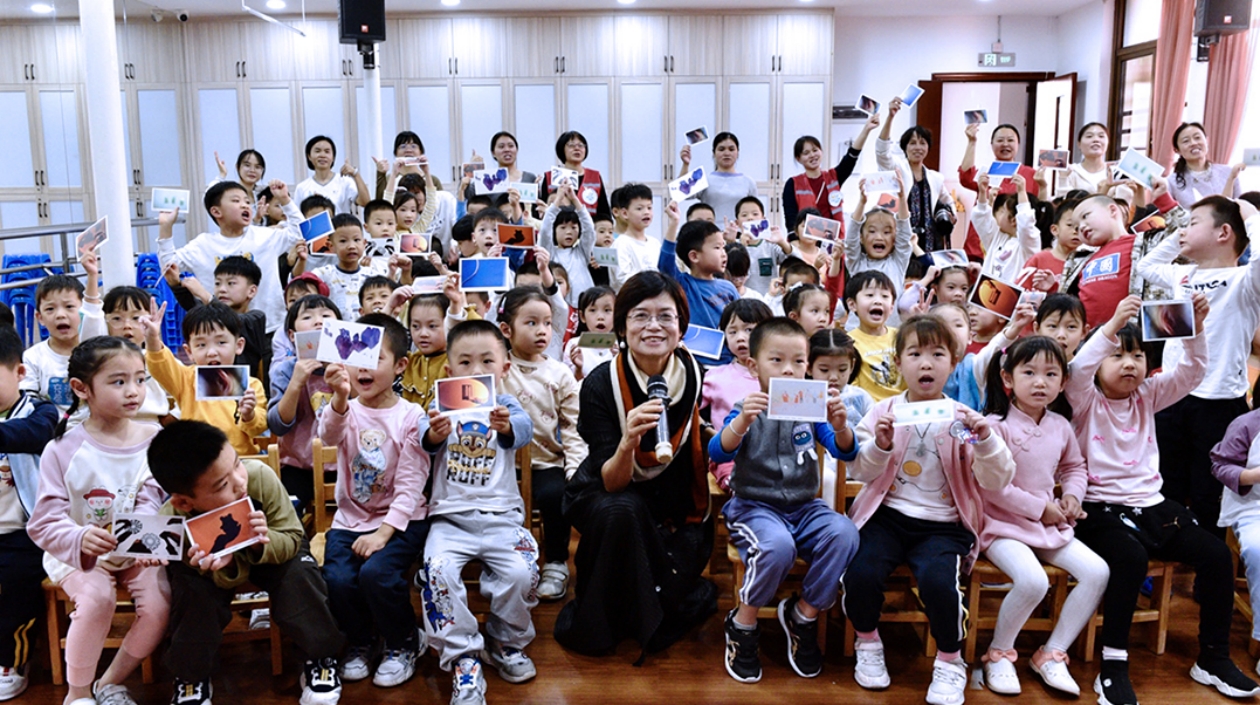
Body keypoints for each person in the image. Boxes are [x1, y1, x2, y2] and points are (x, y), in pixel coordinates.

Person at [1067, 294, 1260, 703]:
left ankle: (1212, 657)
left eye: (1137, 356)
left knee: (1214, 553)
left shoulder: (1148, 396)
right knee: (1131, 559)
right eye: (1118, 356)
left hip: (1151, 504)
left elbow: (1193, 371)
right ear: (1100, 360)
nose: (1129, 364)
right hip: (1097, 506)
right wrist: (1109, 327)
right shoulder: (1083, 400)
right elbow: (1077, 371)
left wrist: (1196, 329)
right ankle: (1113, 665)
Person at [843, 314, 1015, 705]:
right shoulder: (882, 411)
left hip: (943, 525)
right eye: (915, 353)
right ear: (899, 361)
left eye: (937, 354)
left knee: (940, 584)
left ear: (953, 363)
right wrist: (880, 445)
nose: (926, 363)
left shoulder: (963, 418)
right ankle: (868, 642)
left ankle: (950, 660)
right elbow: (860, 471)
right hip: (885, 517)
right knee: (861, 572)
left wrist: (986, 441)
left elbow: (997, 479)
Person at [555, 272, 717, 661]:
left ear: (681, 325)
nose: (654, 327)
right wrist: (628, 440)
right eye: (641, 316)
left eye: (666, 316)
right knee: (622, 509)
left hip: (669, 488)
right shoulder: (598, 385)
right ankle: (601, 625)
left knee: (693, 537)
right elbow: (611, 481)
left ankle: (644, 612)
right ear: (622, 326)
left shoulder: (692, 372)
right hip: (606, 487)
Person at [149, 420, 344, 705]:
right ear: (184, 503)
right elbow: (210, 572)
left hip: (273, 544)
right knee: (191, 592)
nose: (240, 482)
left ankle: (320, 655)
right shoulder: (173, 519)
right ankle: (191, 675)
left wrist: (256, 541)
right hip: (212, 567)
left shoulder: (259, 478)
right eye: (223, 484)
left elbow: (290, 536)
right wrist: (223, 564)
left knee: (299, 574)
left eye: (238, 464)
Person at [710, 317, 860, 683]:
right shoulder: (747, 404)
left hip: (804, 507)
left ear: (808, 364)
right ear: (753, 365)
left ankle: (803, 614)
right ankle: (743, 624)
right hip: (754, 506)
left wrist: (840, 425)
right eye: (776, 360)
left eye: (797, 361)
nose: (789, 369)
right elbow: (718, 450)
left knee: (845, 533)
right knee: (777, 547)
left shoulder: (811, 403)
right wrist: (742, 421)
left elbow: (845, 450)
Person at [27, 337, 170, 705]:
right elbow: (43, 522)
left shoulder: (156, 438)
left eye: (140, 379)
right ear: (81, 388)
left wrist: (147, 538)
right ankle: (77, 695)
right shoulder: (62, 449)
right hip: (77, 556)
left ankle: (109, 683)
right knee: (96, 599)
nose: (133, 391)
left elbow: (156, 497)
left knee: (160, 604)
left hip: (136, 553)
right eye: (119, 381)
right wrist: (79, 538)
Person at [977, 336, 1108, 696]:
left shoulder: (1060, 425)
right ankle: (999, 653)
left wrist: (1070, 496)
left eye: (1051, 374)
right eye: (1030, 372)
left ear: (1063, 382)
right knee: (1033, 581)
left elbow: (1075, 467)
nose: (1040, 382)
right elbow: (992, 488)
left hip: (1047, 523)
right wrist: (1042, 508)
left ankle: (1052, 653)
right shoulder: (994, 425)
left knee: (1098, 572)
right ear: (1007, 379)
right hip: (1001, 526)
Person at [418, 320, 537, 705]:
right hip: (449, 520)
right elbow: (422, 437)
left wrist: (506, 425)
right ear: (449, 371)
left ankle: (505, 641)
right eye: (465, 362)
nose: (475, 370)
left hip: (502, 517)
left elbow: (523, 429)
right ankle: (463, 656)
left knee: (523, 570)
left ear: (504, 367)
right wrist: (434, 434)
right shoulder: (438, 405)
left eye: (486, 360)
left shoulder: (508, 404)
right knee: (437, 573)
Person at [1137, 196, 1260, 535]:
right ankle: (1163, 565)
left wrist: (1251, 218)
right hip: (1174, 394)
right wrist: (1177, 235)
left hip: (1219, 401)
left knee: (1208, 493)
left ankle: (1205, 572)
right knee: (1165, 485)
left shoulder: (1245, 280)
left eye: (1193, 223)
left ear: (1223, 232)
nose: (1184, 230)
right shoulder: (1182, 273)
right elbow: (1146, 267)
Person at [318, 314, 428, 688]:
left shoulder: (411, 415)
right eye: (356, 358)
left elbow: (413, 482)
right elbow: (329, 437)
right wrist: (339, 398)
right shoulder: (344, 406)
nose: (363, 368)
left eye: (376, 359)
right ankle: (362, 642)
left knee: (377, 575)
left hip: (402, 520)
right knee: (337, 578)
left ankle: (402, 643)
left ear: (400, 365)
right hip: (350, 521)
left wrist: (383, 533)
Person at [498, 288, 586, 602]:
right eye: (531, 322)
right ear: (507, 330)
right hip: (502, 463)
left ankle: (557, 561)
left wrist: (574, 469)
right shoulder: (497, 367)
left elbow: (574, 428)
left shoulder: (560, 373)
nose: (542, 331)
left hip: (547, 462)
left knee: (555, 496)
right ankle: (501, 560)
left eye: (547, 323)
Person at [0, 325, 62, 701]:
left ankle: (11, 660)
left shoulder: (39, 410)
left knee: (17, 591)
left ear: (20, 372)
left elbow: (34, 434)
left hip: (26, 535)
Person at [159, 180, 302, 335]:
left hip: (270, 327)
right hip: (222, 329)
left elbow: (301, 233)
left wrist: (285, 200)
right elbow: (169, 266)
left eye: (247, 201)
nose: (245, 205)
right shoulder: (203, 245)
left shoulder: (265, 236)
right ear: (216, 212)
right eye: (236, 201)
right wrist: (166, 227)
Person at [144, 300, 268, 457]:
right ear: (189, 351)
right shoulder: (186, 379)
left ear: (238, 345)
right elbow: (160, 367)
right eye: (201, 345)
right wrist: (153, 339)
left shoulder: (251, 384)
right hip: (198, 462)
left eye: (221, 342)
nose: (211, 352)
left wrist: (249, 415)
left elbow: (260, 427)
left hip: (241, 459)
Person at [1062, 181, 1180, 330]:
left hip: (1137, 337)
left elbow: (1189, 235)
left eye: (1085, 216)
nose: (1082, 227)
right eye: (1077, 227)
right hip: (1090, 341)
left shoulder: (1149, 242)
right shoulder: (1078, 260)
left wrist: (1165, 201)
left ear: (1112, 210)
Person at [268, 294, 341, 511]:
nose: (319, 321)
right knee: (286, 510)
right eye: (308, 317)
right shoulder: (285, 370)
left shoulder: (351, 368)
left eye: (326, 315)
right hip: (297, 465)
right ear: (292, 335)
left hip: (345, 463)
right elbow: (277, 425)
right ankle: (298, 543)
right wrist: (296, 383)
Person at [20, 256, 105, 425]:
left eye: (69, 307)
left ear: (83, 311)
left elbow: (93, 311)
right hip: (52, 433)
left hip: (97, 429)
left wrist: (92, 276)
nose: (60, 315)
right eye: (50, 309)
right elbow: (27, 402)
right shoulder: (33, 357)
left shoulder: (96, 350)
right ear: (40, 317)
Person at [704, 299, 773, 492]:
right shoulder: (714, 377)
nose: (740, 338)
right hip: (729, 455)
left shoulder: (778, 376)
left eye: (749, 330)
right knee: (737, 479)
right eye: (732, 332)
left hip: (773, 455)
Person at [658, 204, 740, 364]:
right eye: (717, 247)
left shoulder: (728, 287)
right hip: (692, 362)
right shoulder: (683, 284)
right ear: (694, 256)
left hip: (728, 362)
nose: (724, 253)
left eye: (724, 247)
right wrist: (674, 223)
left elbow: (742, 319)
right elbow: (665, 264)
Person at [877, 99, 955, 257]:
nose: (918, 147)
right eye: (912, 143)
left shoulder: (936, 177)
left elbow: (949, 202)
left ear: (928, 147)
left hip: (930, 241)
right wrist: (890, 117)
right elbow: (882, 153)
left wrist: (950, 216)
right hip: (900, 237)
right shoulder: (897, 168)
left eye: (922, 143)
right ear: (905, 147)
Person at [959, 123, 1044, 261]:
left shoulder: (1030, 174)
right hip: (981, 243)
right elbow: (965, 178)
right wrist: (972, 142)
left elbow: (1040, 207)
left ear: (1018, 144)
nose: (1005, 144)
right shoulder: (986, 173)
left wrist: (1044, 186)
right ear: (991, 144)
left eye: (1010, 140)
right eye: (1000, 140)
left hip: (1016, 249)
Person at [783, 111, 879, 232]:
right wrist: (794, 242)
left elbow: (851, 156)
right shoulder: (792, 184)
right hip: (806, 242)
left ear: (821, 152)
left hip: (832, 241)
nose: (812, 155)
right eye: (806, 153)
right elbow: (790, 218)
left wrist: (866, 129)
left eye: (815, 150)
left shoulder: (834, 177)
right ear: (799, 159)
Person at [306, 214, 407, 321]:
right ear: (331, 246)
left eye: (356, 240)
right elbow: (301, 286)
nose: (351, 246)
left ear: (364, 243)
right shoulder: (323, 274)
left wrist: (391, 273)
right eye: (343, 241)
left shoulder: (372, 274)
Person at [844, 174, 913, 328]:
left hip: (890, 333)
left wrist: (902, 199)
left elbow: (905, 235)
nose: (879, 237)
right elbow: (850, 241)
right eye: (872, 231)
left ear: (894, 239)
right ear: (861, 238)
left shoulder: (898, 262)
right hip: (857, 333)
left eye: (887, 232)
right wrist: (862, 203)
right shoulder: (856, 262)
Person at [101, 286, 177, 427]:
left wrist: (175, 415)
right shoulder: (100, 360)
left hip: (153, 428)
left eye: (136, 318)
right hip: (111, 429)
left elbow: (191, 385)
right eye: (116, 318)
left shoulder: (158, 357)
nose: (127, 325)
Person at [845, 271, 904, 402]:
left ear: (892, 307)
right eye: (870, 295)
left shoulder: (901, 336)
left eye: (884, 296)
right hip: (871, 413)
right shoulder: (848, 342)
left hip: (904, 408)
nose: (878, 301)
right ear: (852, 305)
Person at [678, 132, 758, 223]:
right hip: (709, 233)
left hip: (739, 234)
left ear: (737, 152)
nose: (727, 153)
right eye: (721, 149)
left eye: (731, 149)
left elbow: (756, 213)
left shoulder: (748, 182)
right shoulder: (705, 179)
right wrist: (685, 164)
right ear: (714, 153)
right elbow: (681, 193)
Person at [973, 173, 1040, 283]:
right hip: (986, 294)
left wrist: (1022, 192)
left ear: (1014, 220)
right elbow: (982, 219)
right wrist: (982, 193)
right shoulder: (997, 237)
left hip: (1013, 298)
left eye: (1003, 211)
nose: (997, 214)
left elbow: (1025, 224)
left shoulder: (1028, 244)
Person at [539, 184, 597, 307]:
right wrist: (557, 200)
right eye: (563, 227)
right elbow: (544, 231)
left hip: (585, 306)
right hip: (559, 307)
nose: (569, 232)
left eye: (574, 227)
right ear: (554, 231)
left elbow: (590, 229)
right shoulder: (550, 253)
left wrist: (575, 199)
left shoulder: (582, 252)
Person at [1168, 122, 1244, 209]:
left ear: (1206, 141)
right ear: (1177, 150)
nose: (1193, 143)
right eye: (1186, 141)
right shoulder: (1172, 182)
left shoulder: (1228, 172)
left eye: (1197, 138)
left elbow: (1240, 207)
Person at [539, 131, 611, 219]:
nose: (577, 148)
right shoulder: (550, 177)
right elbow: (542, 209)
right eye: (571, 145)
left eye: (581, 145)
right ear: (562, 149)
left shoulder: (595, 176)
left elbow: (603, 212)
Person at [295, 135, 370, 216]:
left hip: (341, 227)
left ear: (333, 157)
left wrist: (355, 174)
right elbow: (297, 217)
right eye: (317, 151)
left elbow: (365, 202)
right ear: (309, 156)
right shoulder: (302, 188)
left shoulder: (344, 182)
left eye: (327, 151)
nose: (322, 155)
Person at [1059, 123, 1134, 202]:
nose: (1096, 140)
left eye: (1101, 136)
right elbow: (1063, 205)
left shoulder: (1115, 172)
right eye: (1089, 136)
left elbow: (1124, 205)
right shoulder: (1071, 171)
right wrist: (1063, 178)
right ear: (1079, 144)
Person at [611, 183, 660, 291]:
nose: (646, 212)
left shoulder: (655, 243)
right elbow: (622, 278)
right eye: (639, 208)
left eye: (649, 207)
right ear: (624, 213)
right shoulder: (621, 244)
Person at [462, 132, 537, 202]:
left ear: (516, 150)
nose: (507, 150)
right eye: (501, 147)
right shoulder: (487, 179)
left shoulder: (530, 178)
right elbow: (467, 195)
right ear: (493, 153)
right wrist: (472, 169)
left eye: (511, 146)